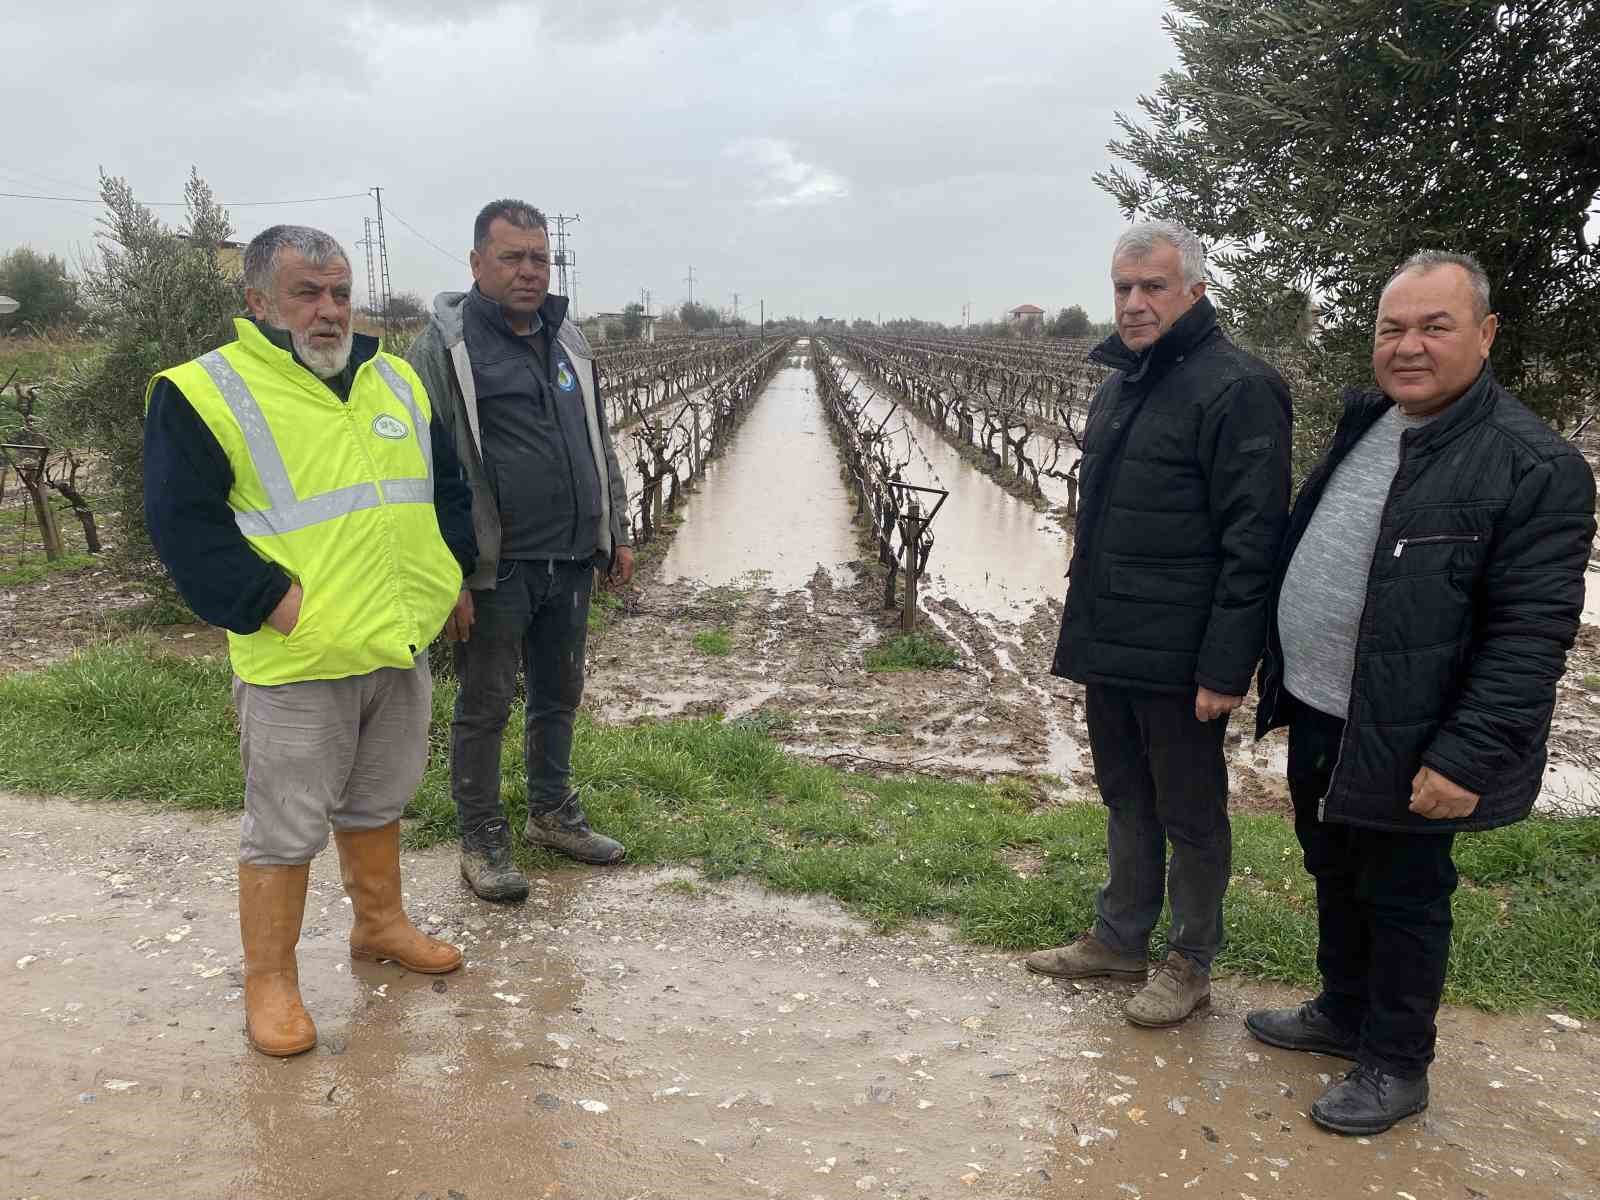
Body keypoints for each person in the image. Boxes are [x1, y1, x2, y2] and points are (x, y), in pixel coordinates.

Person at [1246, 251, 1595, 1135]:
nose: (1408, 346)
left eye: (1433, 326)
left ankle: (1398, 1062)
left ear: (1484, 334)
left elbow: (1529, 633)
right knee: (1332, 867)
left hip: (1417, 729)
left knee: (1404, 894)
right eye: (1390, 328)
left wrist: (1465, 756)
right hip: (1327, 707)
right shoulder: (1371, 419)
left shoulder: (1532, 463)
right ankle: (1341, 1009)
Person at [144, 226, 476, 1056]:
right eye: (307, 293)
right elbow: (185, 528)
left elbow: (446, 489)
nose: (328, 311)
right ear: (258, 302)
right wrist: (277, 604)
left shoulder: (394, 378)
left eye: (339, 293)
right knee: (285, 825)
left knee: (380, 798)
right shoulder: (202, 391)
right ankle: (272, 981)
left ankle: (380, 925)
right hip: (297, 654)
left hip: (397, 644)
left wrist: (453, 576)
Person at [1026, 220, 1292, 1028]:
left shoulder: (1238, 387)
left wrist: (1224, 665)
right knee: (1125, 795)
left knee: (1190, 808)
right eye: (1122, 288)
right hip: (1112, 636)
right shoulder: (1120, 385)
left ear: (1196, 292)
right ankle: (1119, 938)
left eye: (1153, 287)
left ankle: (1191, 961)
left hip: (1179, 651)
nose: (1135, 304)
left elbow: (1254, 539)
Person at [407, 199, 633, 903]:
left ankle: (552, 814)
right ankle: (480, 836)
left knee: (559, 693)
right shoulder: (445, 350)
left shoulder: (569, 339)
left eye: (540, 257)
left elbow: (599, 436)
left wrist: (615, 530)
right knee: (485, 704)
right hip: (495, 566)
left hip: (568, 558)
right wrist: (450, 574)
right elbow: (424, 466)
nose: (530, 270)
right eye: (513, 257)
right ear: (478, 263)